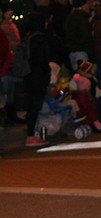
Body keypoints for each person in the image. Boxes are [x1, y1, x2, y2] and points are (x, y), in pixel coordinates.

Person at [21, 12, 52, 146]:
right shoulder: (40, 39)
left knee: (32, 105)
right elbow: (43, 60)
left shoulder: (29, 37)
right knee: (35, 105)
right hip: (38, 76)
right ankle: (31, 135)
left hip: (29, 75)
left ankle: (32, 133)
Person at [64, 0, 94, 71]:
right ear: (82, 6)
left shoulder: (70, 17)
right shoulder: (82, 19)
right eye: (86, 4)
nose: (88, 6)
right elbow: (86, 36)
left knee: (78, 77)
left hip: (72, 51)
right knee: (85, 77)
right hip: (82, 52)